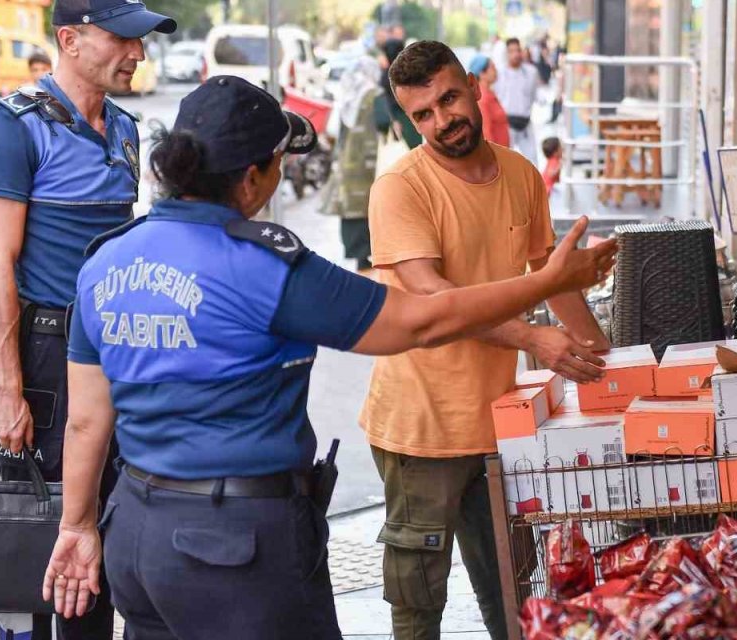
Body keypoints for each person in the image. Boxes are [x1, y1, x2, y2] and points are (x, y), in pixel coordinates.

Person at [39, 74, 617, 638]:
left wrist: (76, 526)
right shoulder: (265, 269)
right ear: (250, 178)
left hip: (136, 537)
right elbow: (424, 320)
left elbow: (88, 420)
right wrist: (548, 281)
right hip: (237, 550)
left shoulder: (106, 263)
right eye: (278, 159)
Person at [365, 40, 613, 640]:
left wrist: (608, 361)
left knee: (512, 585)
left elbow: (550, 278)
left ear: (476, 87)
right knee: (418, 598)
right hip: (420, 427)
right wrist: (535, 338)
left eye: (449, 99)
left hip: (501, 424)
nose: (441, 120)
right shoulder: (401, 187)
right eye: (421, 114)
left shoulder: (522, 175)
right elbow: (431, 297)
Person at [0, 0, 175, 637]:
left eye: (140, 43)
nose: (137, 55)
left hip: (111, 352)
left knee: (104, 529)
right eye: (123, 40)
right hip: (43, 357)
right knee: (38, 536)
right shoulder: (17, 126)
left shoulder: (123, 128)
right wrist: (6, 390)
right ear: (70, 39)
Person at [332, 53, 384, 272]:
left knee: (352, 208)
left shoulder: (347, 97)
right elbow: (384, 122)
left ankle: (359, 255)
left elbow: (333, 131)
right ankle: (369, 254)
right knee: (371, 206)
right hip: (372, 163)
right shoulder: (375, 95)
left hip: (348, 164)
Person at [494, 37, 541, 162]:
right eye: (511, 51)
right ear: (507, 53)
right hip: (507, 123)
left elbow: (534, 95)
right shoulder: (499, 73)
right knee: (505, 162)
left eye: (517, 50)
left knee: (532, 161)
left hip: (525, 122)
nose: (515, 54)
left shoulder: (531, 72)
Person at [469, 54, 508, 147]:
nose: (496, 71)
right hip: (496, 156)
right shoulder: (482, 98)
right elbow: (486, 133)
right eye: (493, 68)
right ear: (482, 74)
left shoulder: (489, 93)